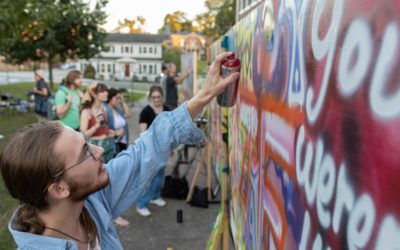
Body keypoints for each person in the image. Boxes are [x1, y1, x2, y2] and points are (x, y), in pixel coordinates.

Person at [0, 52, 239, 250]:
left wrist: (205, 95)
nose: (98, 150)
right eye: (84, 152)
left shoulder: (91, 201)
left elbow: (145, 149)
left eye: (87, 141)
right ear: (59, 188)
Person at [136, 85, 170, 217]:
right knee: (147, 178)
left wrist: (170, 146)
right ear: (150, 97)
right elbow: (143, 133)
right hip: (150, 150)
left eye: (158, 97)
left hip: (163, 149)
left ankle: (155, 197)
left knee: (159, 176)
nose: (156, 99)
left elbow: (169, 130)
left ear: (162, 97)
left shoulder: (166, 110)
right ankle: (141, 204)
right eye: (154, 97)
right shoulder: (146, 111)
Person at [105, 88, 131, 226]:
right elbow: (105, 130)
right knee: (113, 180)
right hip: (113, 147)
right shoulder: (106, 110)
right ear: (110, 98)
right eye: (116, 98)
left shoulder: (117, 110)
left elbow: (128, 114)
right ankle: (114, 213)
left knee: (119, 178)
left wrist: (123, 101)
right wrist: (116, 133)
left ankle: (115, 211)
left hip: (121, 145)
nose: (117, 100)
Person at [80, 83, 115, 164]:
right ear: (94, 94)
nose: (106, 93)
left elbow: (103, 128)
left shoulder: (103, 109)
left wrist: (108, 132)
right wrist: (96, 126)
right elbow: (82, 135)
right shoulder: (86, 111)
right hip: (94, 149)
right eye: (102, 91)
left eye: (106, 91)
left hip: (107, 146)